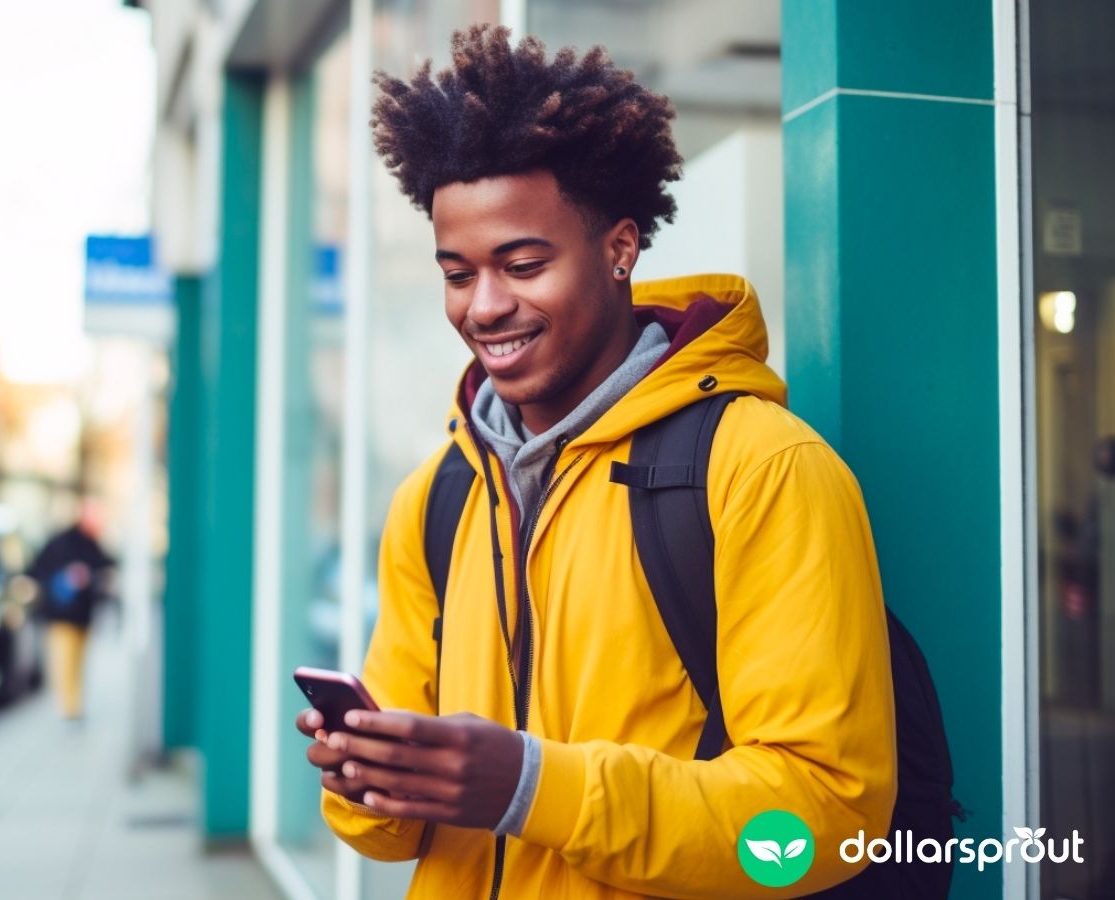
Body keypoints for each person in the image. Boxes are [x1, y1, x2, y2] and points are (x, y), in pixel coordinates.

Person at [296, 25, 897, 898]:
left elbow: (823, 821)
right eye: (457, 273)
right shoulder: (437, 496)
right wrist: (369, 780)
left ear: (620, 248)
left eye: (524, 263)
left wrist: (536, 789)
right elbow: (388, 840)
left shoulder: (763, 467)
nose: (485, 306)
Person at [29, 502, 115, 720]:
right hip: (60, 615)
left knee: (77, 662)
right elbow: (36, 571)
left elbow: (107, 566)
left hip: (83, 616)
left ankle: (74, 705)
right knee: (64, 662)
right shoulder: (61, 543)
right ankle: (70, 708)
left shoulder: (92, 544)